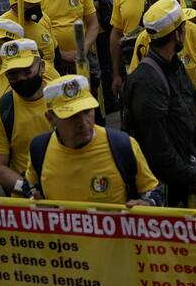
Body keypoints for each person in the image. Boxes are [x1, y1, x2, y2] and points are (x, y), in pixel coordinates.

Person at [124, 0, 196, 206]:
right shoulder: (146, 82)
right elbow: (156, 145)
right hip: (168, 189)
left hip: (188, 170)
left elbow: (193, 112)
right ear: (177, 34)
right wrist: (192, 179)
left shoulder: (175, 66)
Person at [25, 75, 163, 205]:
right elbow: (29, 185)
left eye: (87, 111)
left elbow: (154, 191)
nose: (83, 122)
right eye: (72, 116)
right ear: (50, 118)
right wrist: (33, 199)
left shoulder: (123, 146)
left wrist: (148, 203)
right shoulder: (40, 149)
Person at [0, 39, 54, 197]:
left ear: (42, 67)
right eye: (13, 75)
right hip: (29, 205)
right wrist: (27, 189)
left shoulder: (62, 100)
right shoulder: (1, 113)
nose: (22, 78)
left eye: (27, 71)